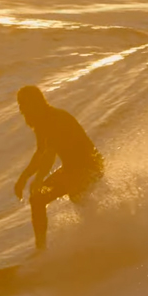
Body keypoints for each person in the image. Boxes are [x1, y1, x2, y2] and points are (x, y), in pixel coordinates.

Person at [13, 85, 104, 251]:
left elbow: (50, 154)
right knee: (37, 199)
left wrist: (39, 179)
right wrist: (23, 178)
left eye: (23, 104)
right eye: (19, 105)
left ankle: (103, 235)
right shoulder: (41, 124)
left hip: (90, 166)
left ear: (35, 103)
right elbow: (40, 152)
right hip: (71, 169)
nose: (21, 110)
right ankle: (41, 251)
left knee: (76, 194)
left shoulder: (56, 119)